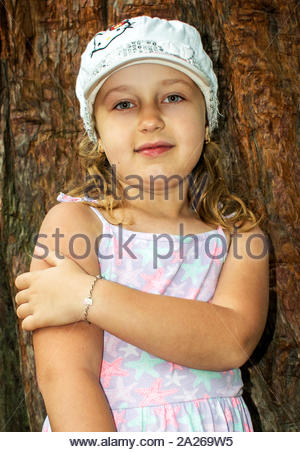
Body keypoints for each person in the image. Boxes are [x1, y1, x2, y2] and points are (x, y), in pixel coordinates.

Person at [14, 16, 269, 432]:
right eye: (124, 104)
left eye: (172, 97)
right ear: (95, 132)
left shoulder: (239, 235)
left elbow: (231, 340)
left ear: (207, 120)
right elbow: (66, 378)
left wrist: (88, 295)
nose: (150, 118)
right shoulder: (76, 224)